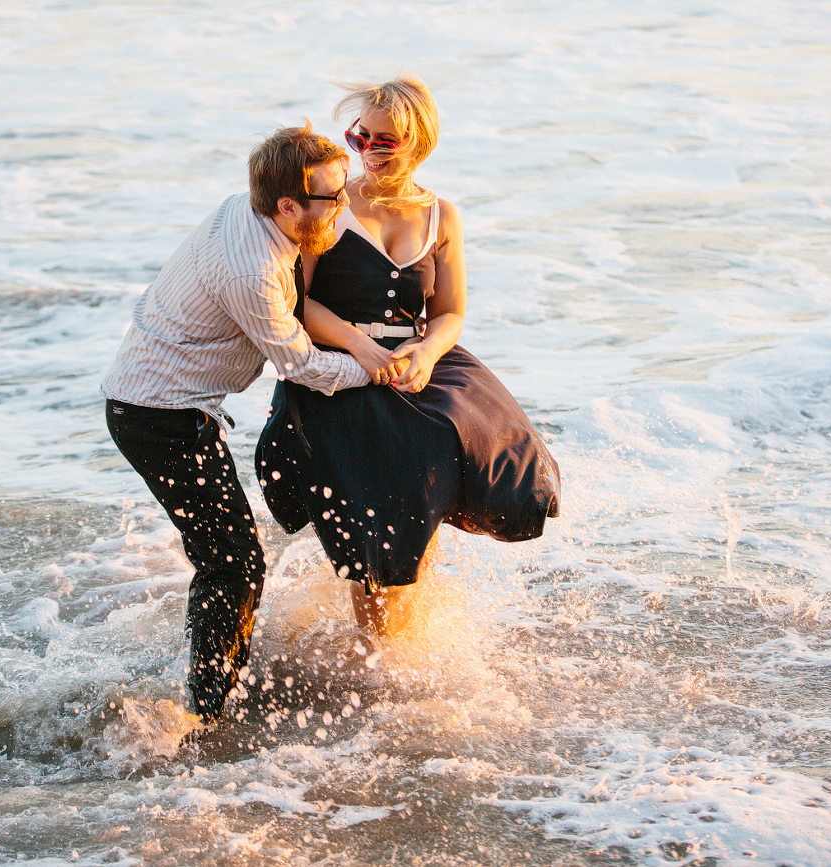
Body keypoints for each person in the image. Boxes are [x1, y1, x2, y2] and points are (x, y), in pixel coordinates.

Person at [101, 123, 402, 725]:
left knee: (228, 554)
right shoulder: (254, 272)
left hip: (165, 402)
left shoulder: (255, 206)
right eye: (331, 199)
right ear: (287, 205)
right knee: (233, 560)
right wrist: (372, 365)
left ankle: (215, 684)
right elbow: (299, 364)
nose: (344, 206)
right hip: (158, 416)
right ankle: (208, 710)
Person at [256, 75, 561, 636]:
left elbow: (449, 313)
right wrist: (360, 345)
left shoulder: (443, 215)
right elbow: (300, 305)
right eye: (359, 138)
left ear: (418, 142)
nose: (368, 152)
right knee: (377, 525)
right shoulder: (330, 203)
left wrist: (426, 351)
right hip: (342, 370)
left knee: (464, 475)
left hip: (415, 368)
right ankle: (382, 664)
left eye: (384, 141)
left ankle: (412, 641)